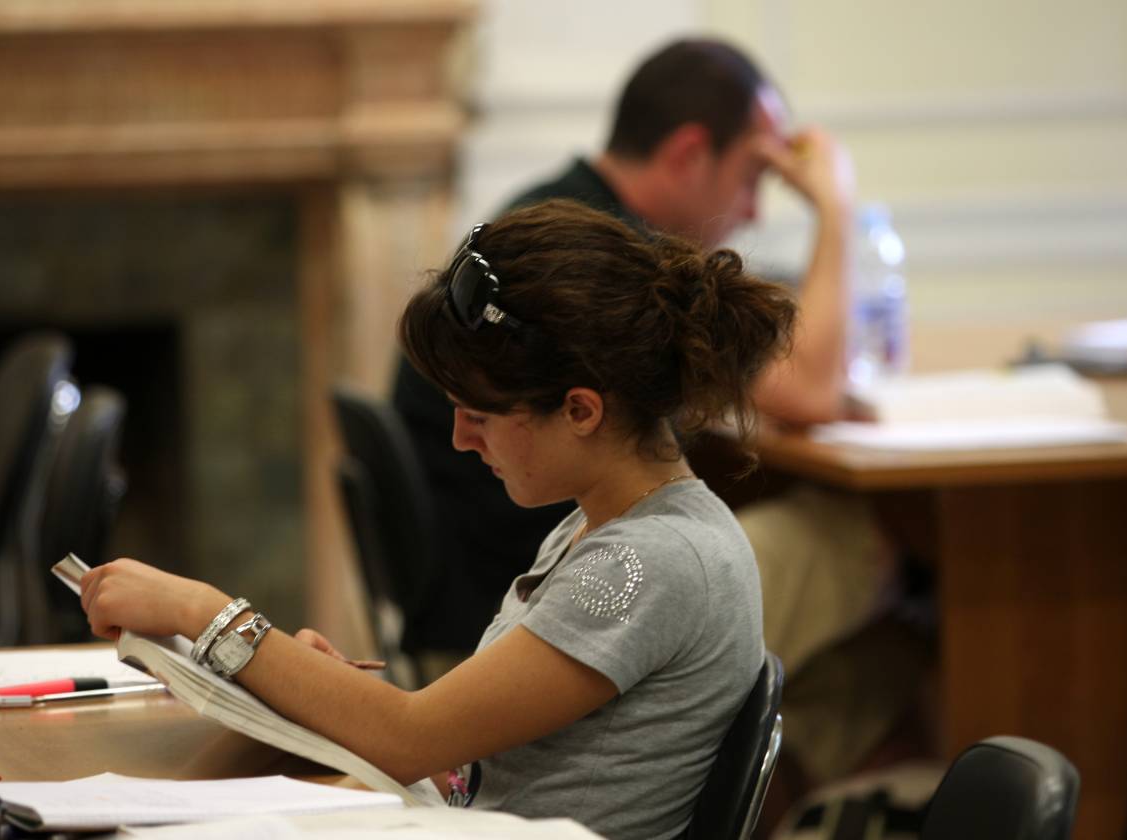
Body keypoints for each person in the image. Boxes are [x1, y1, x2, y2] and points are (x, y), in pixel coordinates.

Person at [79, 199, 796, 839]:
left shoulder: (647, 564)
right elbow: (470, 750)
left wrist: (204, 611)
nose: (458, 439)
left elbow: (413, 738)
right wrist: (326, 693)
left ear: (581, 410)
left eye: (479, 414)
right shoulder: (604, 525)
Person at [395, 38, 907, 788]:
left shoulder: (560, 215)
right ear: (690, 152)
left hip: (471, 579)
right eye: (754, 176)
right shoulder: (601, 263)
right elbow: (809, 392)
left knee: (869, 660)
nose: (757, 208)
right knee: (871, 543)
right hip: (506, 578)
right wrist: (835, 203)